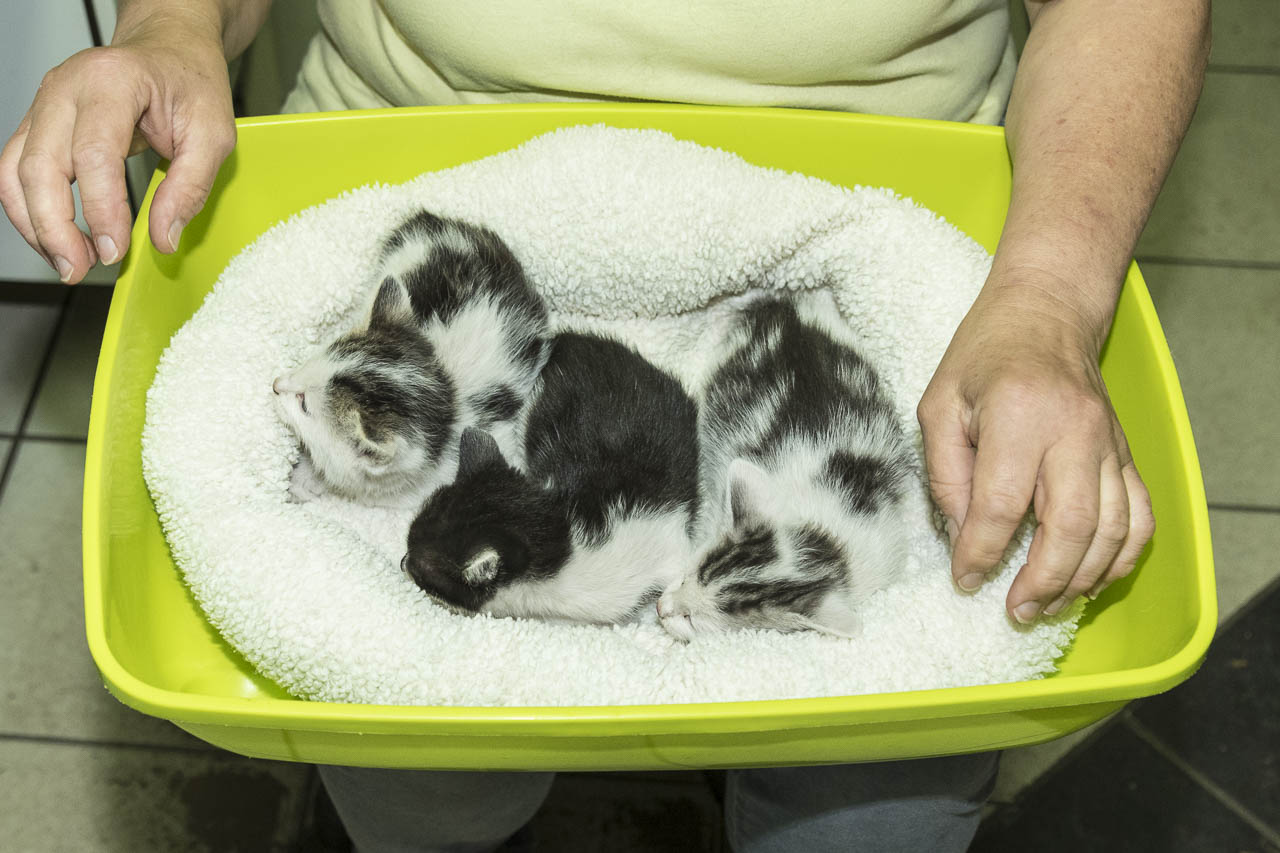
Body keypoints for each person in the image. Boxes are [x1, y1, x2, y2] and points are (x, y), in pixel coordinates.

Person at [0, 1, 1207, 850]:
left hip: (889, 172)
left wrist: (1045, 300)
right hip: (414, 146)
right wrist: (170, 29)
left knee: (866, 812)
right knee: (428, 796)